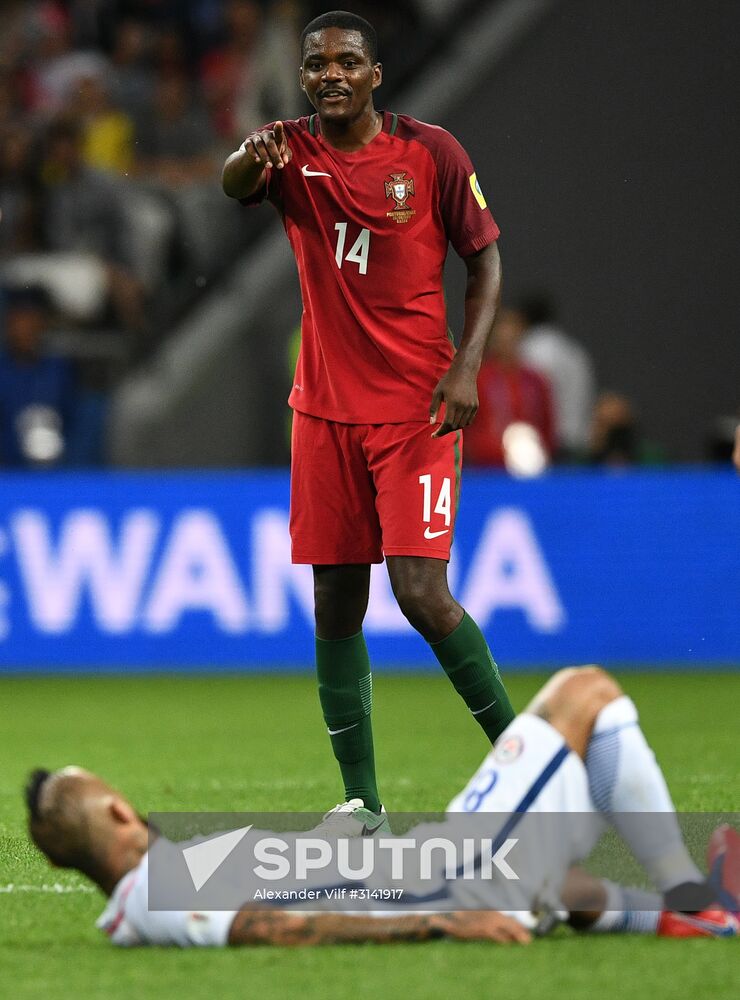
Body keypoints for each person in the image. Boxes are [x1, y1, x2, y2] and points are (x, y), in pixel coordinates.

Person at [222, 10, 516, 831]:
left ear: (375, 75)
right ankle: (362, 805)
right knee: (334, 603)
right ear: (303, 76)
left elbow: (485, 258)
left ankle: (532, 768)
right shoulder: (288, 152)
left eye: (347, 62)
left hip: (416, 409)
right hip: (323, 412)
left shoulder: (431, 153)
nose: (331, 74)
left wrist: (467, 367)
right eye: (317, 64)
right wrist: (247, 155)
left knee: (420, 593)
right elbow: (233, 185)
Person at [25, 666, 739, 947]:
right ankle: (696, 901)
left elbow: (277, 886)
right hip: (441, 882)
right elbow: (275, 927)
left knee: (565, 884)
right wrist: (441, 919)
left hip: (420, 867)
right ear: (118, 813)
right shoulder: (158, 892)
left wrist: (330, 837)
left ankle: (672, 915)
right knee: (583, 693)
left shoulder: (155, 887)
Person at [464, 306, 556, 468]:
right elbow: (467, 427)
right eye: (503, 337)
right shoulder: (478, 379)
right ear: (492, 338)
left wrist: (536, 452)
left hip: (531, 466)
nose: (508, 342)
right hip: (486, 469)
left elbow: (547, 424)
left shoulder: (536, 380)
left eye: (513, 335)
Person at [515, 294, 597, 460]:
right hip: (578, 436)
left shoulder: (530, 349)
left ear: (523, 318)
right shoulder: (574, 350)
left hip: (548, 441)